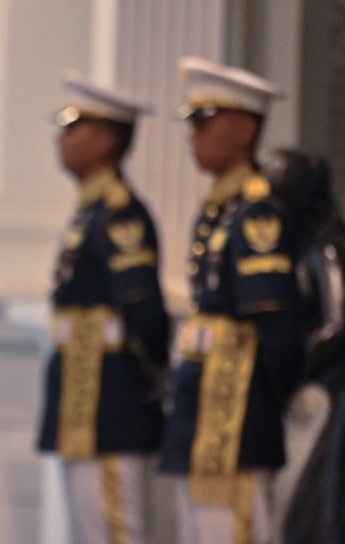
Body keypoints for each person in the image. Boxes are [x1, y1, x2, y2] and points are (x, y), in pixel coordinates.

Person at [159, 57, 301, 544]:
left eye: (206, 121)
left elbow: (276, 333)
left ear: (244, 129)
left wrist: (267, 405)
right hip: (204, 414)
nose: (193, 134)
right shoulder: (221, 209)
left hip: (238, 416)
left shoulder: (258, 212)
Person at [36, 73, 170, 543]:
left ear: (106, 139)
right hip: (86, 400)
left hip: (112, 403)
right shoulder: (91, 212)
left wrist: (150, 382)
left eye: (73, 125)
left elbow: (145, 316)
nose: (61, 137)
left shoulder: (120, 214)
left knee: (116, 531)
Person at [265, 149, 345, 544]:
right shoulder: (280, 244)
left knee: (306, 505)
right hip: (285, 386)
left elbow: (337, 321)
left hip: (320, 389)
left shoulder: (324, 245)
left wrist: (299, 369)